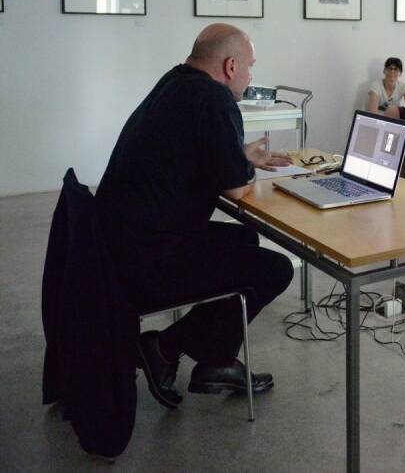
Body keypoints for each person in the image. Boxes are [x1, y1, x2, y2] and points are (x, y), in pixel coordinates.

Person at [96, 23, 294, 409]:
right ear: (231, 66)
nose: (252, 76)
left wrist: (239, 156)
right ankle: (163, 347)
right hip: (147, 263)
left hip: (120, 246)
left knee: (244, 240)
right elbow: (235, 189)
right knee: (275, 269)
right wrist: (244, 166)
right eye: (251, 67)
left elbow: (194, 151)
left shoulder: (176, 82)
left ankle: (214, 362)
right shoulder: (214, 98)